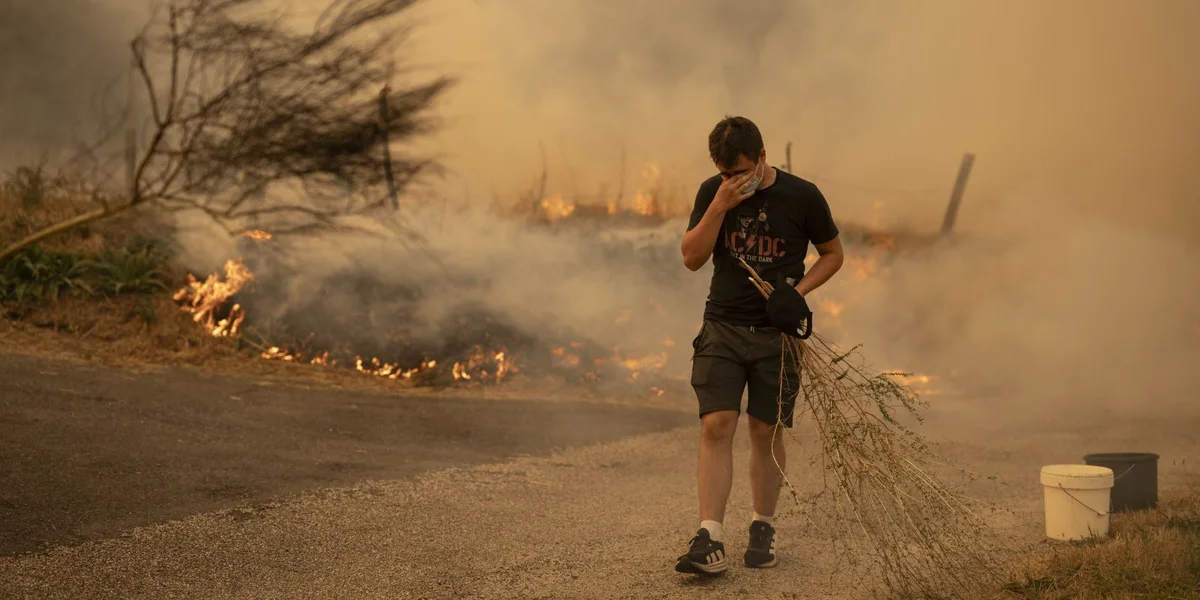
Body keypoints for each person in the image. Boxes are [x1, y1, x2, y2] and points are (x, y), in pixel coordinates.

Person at [675, 115, 844, 575]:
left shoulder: (802, 195)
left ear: (764, 158)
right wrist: (719, 204)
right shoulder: (713, 191)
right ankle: (709, 536)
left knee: (766, 432)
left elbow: (834, 254)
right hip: (723, 327)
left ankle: (763, 526)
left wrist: (798, 293)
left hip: (778, 336)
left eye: (742, 173)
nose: (734, 181)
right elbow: (692, 258)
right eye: (726, 173)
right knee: (716, 426)